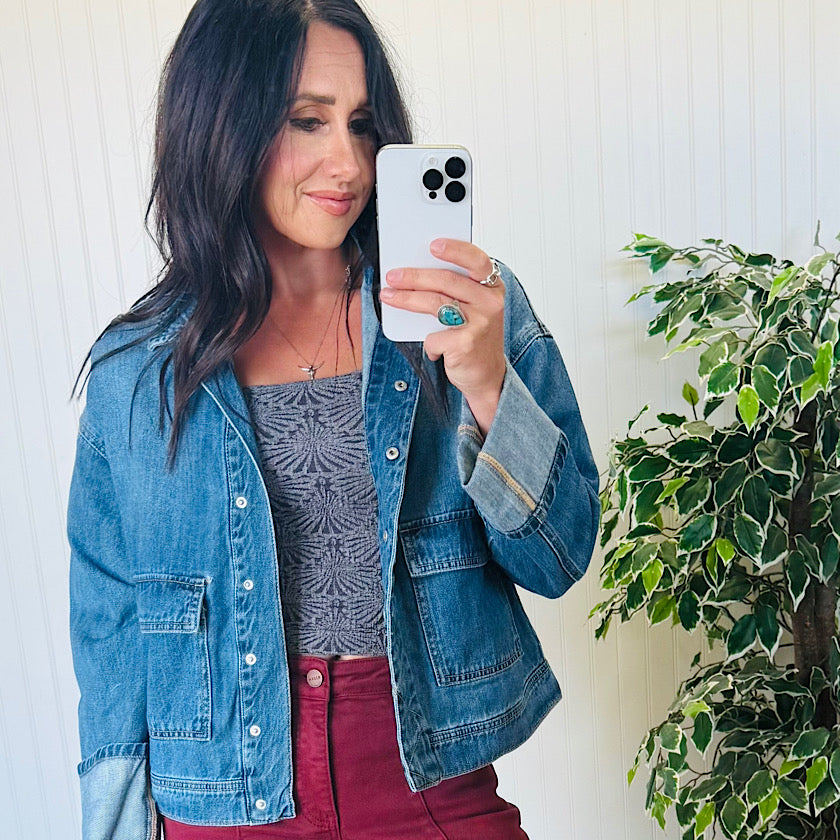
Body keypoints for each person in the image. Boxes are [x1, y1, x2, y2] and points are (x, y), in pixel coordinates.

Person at [67, 0, 599, 838]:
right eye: (305, 121)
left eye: (361, 124)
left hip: (425, 783)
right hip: (222, 802)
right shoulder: (138, 371)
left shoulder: (467, 312)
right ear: (222, 124)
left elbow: (561, 555)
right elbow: (112, 630)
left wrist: (491, 388)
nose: (346, 162)